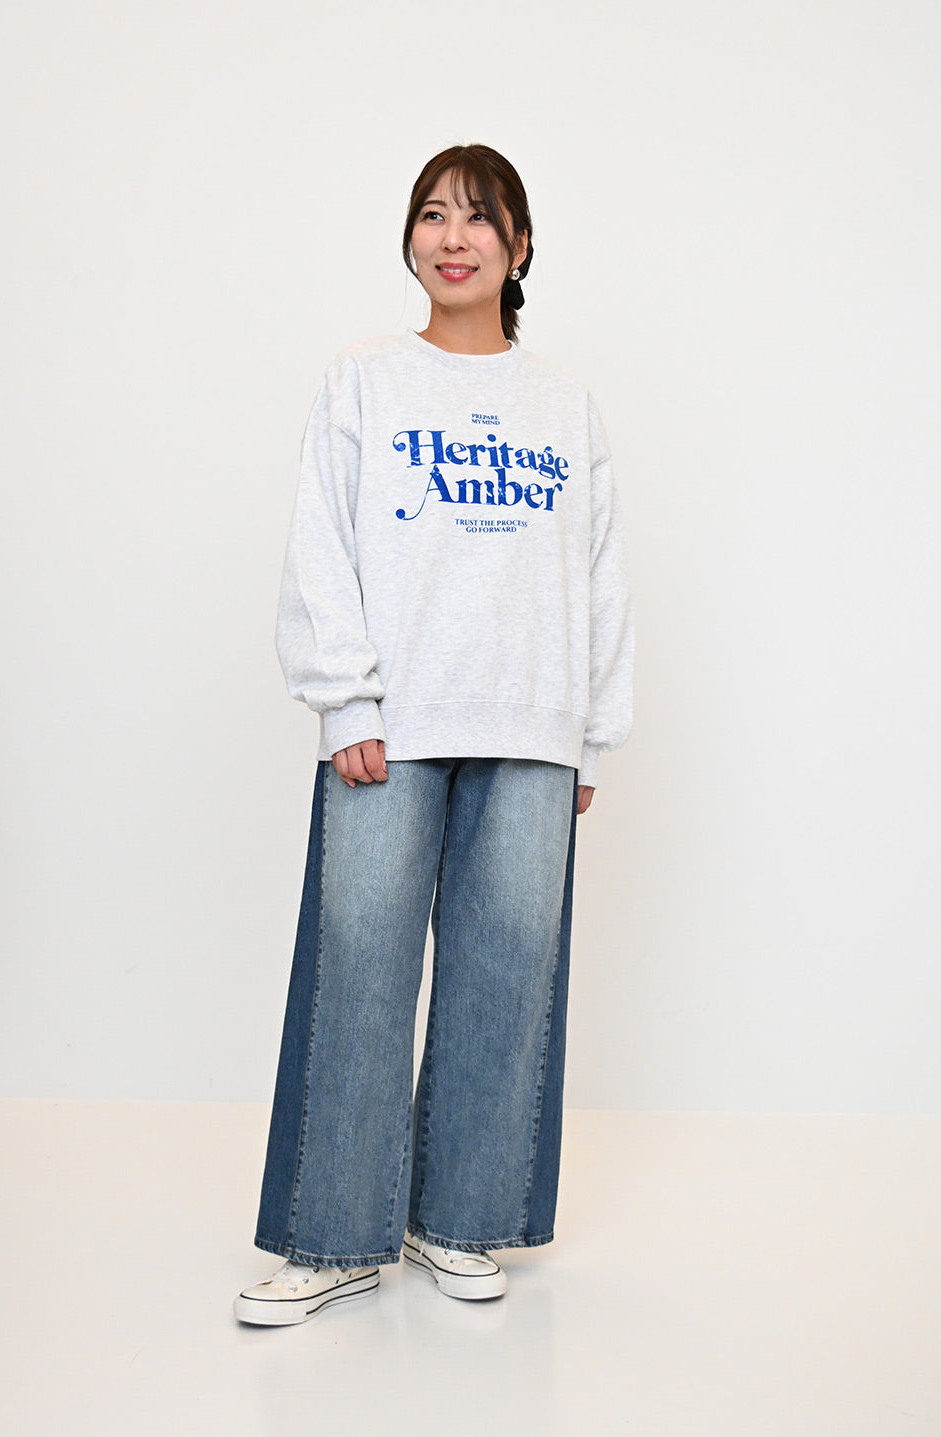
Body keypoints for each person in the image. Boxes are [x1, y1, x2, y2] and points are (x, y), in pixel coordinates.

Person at [234, 144, 633, 1326]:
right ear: (410, 239)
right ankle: (333, 1237)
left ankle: (456, 1220)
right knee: (360, 962)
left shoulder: (565, 404)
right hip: (392, 721)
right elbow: (321, 543)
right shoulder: (363, 381)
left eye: (478, 217)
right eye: (431, 215)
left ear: (519, 246)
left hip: (532, 722)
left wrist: (591, 733)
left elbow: (600, 575)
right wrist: (345, 699)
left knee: (504, 972)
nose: (452, 238)